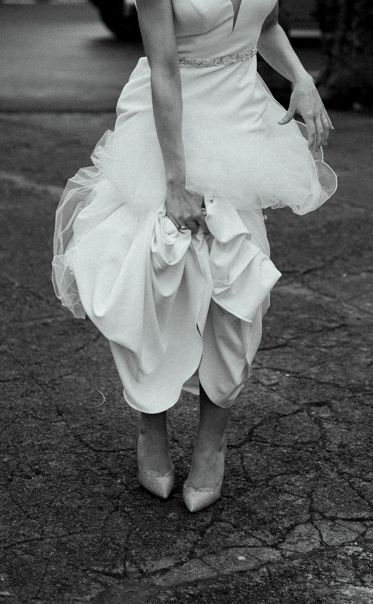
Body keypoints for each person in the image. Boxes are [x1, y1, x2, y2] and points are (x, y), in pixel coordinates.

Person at [51, 0, 336, 513]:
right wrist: (176, 183)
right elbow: (163, 70)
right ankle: (151, 426)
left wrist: (301, 77)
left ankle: (213, 442)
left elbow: (265, 24)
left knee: (236, 288)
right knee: (158, 281)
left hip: (242, 119)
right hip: (168, 125)